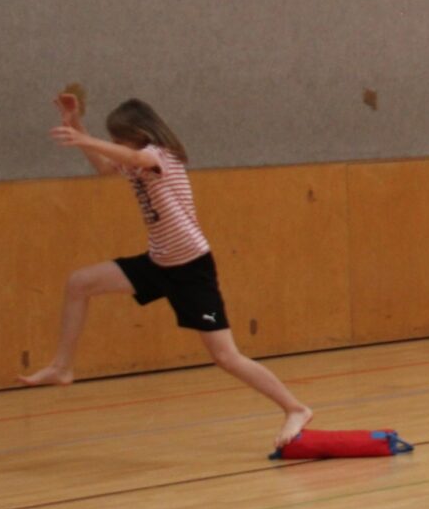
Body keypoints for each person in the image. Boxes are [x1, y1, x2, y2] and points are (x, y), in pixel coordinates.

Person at [24, 95, 313, 448]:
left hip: (191, 270)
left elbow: (133, 156)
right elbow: (104, 166)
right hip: (159, 262)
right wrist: (76, 125)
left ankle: (295, 408)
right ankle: (62, 367)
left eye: (118, 139)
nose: (114, 146)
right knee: (79, 282)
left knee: (225, 356)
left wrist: (85, 138)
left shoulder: (160, 157)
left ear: (140, 133)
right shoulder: (132, 161)